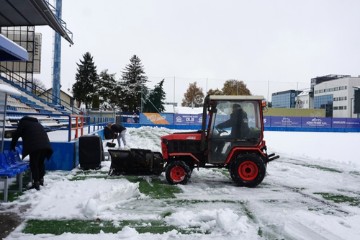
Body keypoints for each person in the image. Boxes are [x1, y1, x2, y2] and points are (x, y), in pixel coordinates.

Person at [10, 116, 53, 190]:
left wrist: (12, 146)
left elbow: (16, 134)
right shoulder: (37, 124)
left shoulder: (23, 123)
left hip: (35, 146)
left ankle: (36, 183)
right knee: (40, 163)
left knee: (34, 164)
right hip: (45, 145)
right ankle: (41, 180)